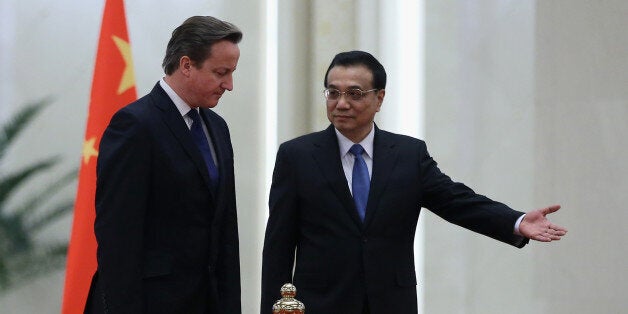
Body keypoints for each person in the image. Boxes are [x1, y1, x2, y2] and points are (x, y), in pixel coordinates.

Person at [260, 50, 567, 314]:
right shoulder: (297, 156)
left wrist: (515, 221)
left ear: (379, 98)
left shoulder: (408, 155)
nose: (342, 103)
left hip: (391, 302)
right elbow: (278, 244)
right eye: (333, 92)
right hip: (321, 303)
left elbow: (456, 200)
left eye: (354, 93)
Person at [85, 16, 243, 314]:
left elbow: (225, 231)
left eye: (232, 72)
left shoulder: (217, 128)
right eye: (221, 72)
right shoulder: (135, 125)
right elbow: (118, 237)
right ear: (186, 65)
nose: (229, 85)